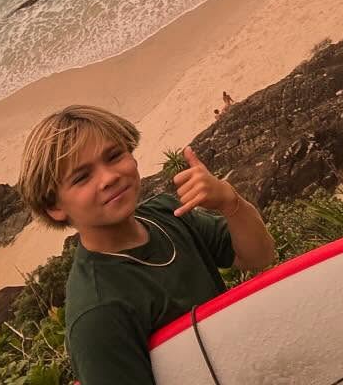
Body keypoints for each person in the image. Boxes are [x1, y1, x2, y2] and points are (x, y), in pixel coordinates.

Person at [16, 105, 276, 384]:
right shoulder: (99, 313)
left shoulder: (167, 213)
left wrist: (229, 201)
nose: (109, 178)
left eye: (114, 156)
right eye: (82, 177)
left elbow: (258, 256)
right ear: (54, 206)